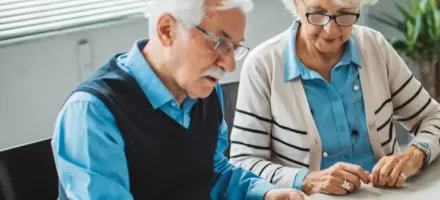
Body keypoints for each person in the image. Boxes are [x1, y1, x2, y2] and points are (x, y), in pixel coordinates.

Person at [51, 0, 309, 199]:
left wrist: (265, 193)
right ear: (167, 30)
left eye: (235, 48)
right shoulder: (92, 113)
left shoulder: (205, 90)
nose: (230, 64)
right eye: (219, 43)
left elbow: (213, 170)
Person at [228, 0, 440, 196]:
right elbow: (243, 163)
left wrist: (415, 155)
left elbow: (434, 117)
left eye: (345, 13)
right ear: (297, 4)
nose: (330, 30)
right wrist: (307, 180)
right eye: (317, 13)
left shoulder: (375, 46)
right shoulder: (263, 65)